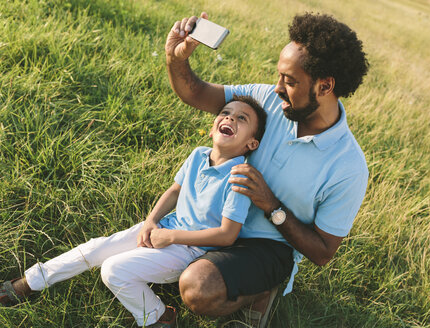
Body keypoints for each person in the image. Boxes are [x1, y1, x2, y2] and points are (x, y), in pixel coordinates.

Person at [165, 11, 370, 327]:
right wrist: (176, 58)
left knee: (197, 288)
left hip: (267, 247)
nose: (276, 88)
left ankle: (261, 291)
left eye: (289, 81)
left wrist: (272, 206)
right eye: (279, 76)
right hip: (214, 219)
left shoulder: (348, 166)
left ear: (325, 85)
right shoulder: (266, 99)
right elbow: (195, 91)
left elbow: (323, 252)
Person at [0, 96, 267, 328]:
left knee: (114, 270)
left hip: (191, 250)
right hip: (164, 228)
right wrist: (151, 221)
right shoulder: (198, 154)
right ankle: (30, 283)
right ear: (212, 128)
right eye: (226, 113)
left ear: (251, 144)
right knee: (95, 249)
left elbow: (227, 235)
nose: (231, 118)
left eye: (242, 118)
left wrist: (172, 237)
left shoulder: (240, 177)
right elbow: (174, 191)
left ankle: (157, 316)